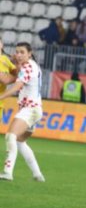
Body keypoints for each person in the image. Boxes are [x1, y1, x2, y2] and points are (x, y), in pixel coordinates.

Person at [0, 42, 45, 182]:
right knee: (20, 142)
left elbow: (16, 87)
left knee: (10, 136)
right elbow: (19, 73)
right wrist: (16, 63)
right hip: (35, 110)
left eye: (22, 52)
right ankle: (38, 174)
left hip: (29, 110)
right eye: (17, 52)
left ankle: (7, 172)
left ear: (29, 53)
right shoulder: (32, 65)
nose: (18, 55)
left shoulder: (27, 67)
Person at [0, 39, 17, 117]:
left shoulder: (5, 60)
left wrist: (17, 62)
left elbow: (16, 73)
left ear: (2, 44)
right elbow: (4, 79)